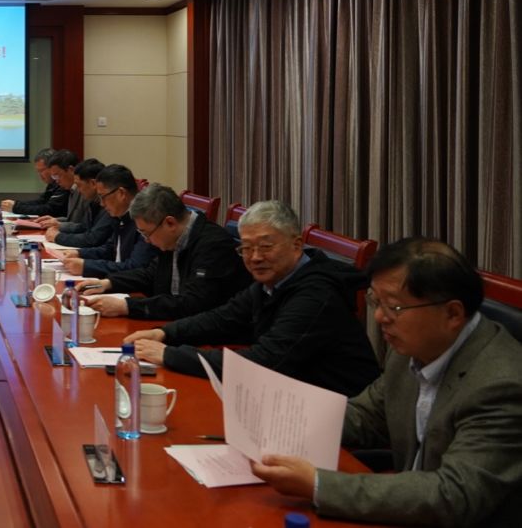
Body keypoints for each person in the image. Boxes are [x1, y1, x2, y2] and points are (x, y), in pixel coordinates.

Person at [252, 238, 522, 527]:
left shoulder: (501, 385)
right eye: (376, 301)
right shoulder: (410, 350)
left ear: (453, 313)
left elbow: (452, 495)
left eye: (394, 307)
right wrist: (279, 424)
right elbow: (366, 415)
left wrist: (318, 484)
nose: (380, 317)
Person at [124, 200, 379, 396]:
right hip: (287, 396)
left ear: (297, 245)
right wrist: (165, 333)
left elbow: (264, 362)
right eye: (246, 248)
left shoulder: (316, 294)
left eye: (266, 247)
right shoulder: (271, 282)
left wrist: (170, 355)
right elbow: (223, 318)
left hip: (337, 418)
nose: (255, 257)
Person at [81, 183, 249, 320]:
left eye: (146, 233)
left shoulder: (213, 245)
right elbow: (150, 274)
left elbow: (192, 304)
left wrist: (127, 306)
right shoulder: (173, 237)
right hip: (174, 324)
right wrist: (108, 283)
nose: (147, 240)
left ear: (170, 223)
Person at [54, 164, 155, 277]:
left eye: (103, 197)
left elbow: (135, 267)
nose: (102, 203)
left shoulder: (145, 220)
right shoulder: (120, 216)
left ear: (121, 193)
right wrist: (79, 253)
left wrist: (87, 266)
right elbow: (109, 249)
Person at [44, 158, 112, 247]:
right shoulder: (92, 202)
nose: (78, 191)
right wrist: (59, 227)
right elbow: (83, 227)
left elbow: (93, 239)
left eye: (79, 185)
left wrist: (58, 237)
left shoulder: (109, 206)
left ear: (93, 183)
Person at [0, 147, 67, 217]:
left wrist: (16, 207)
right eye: (38, 171)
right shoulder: (52, 184)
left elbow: (49, 210)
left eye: (42, 170)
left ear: (53, 167)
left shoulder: (63, 184)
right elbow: (41, 202)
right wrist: (16, 204)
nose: (40, 175)